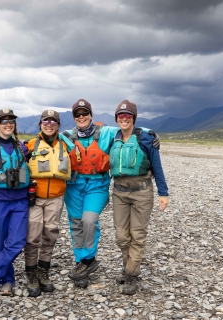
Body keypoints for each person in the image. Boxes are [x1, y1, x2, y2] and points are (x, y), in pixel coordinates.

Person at [59, 99, 160, 288]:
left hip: (97, 184)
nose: (81, 117)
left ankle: (88, 260)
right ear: (74, 117)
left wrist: (152, 134)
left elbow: (129, 128)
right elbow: (45, 139)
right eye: (77, 114)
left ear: (91, 115)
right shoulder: (65, 136)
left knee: (89, 220)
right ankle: (81, 264)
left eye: (85, 113)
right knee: (76, 225)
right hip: (74, 185)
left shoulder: (106, 133)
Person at [109, 100, 169, 295]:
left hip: (142, 191)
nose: (124, 118)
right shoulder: (113, 136)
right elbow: (89, 130)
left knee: (138, 234)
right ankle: (129, 267)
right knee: (121, 236)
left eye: (128, 115)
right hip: (119, 192)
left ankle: (131, 275)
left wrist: (163, 193)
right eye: (120, 115)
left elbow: (157, 166)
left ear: (134, 118)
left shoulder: (146, 138)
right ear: (116, 118)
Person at [0, 109, 30, 298]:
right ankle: (7, 280)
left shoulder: (23, 148)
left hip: (20, 201)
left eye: (11, 121)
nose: (8, 124)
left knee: (17, 242)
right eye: (4, 121)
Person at [24, 110, 71, 297]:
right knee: (32, 236)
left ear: (58, 125)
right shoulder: (29, 145)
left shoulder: (67, 144)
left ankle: (43, 270)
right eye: (46, 121)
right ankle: (31, 273)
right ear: (40, 124)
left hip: (56, 198)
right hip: (35, 198)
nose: (49, 124)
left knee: (50, 234)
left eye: (53, 121)